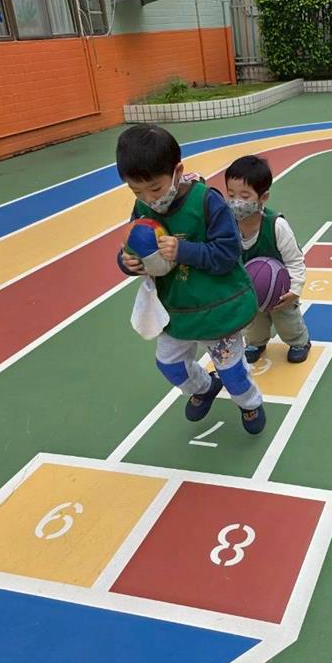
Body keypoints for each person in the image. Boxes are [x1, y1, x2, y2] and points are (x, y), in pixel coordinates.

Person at [116, 124, 266, 435]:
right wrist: (128, 262)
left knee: (233, 374)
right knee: (169, 365)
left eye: (155, 188)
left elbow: (228, 254)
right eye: (136, 191)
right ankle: (205, 387)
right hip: (176, 311)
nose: (148, 198)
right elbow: (135, 245)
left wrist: (183, 250)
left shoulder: (207, 202)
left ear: (177, 171)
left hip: (218, 310)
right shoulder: (142, 207)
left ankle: (250, 404)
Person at [224, 155, 311, 364]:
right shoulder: (227, 225)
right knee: (252, 323)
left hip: (280, 288)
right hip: (249, 288)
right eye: (231, 194)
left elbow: (295, 260)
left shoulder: (276, 226)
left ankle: (300, 342)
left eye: (245, 196)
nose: (236, 202)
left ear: (263, 197)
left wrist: (294, 289)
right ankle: (256, 343)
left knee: (287, 321)